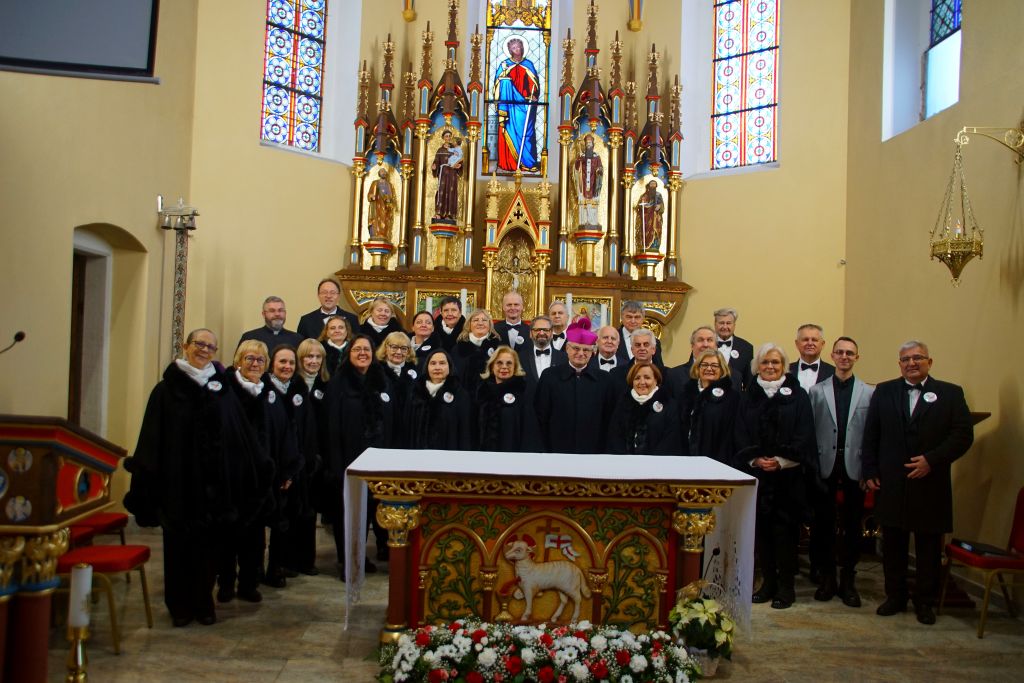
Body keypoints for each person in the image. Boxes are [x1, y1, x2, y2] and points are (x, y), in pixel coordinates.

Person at [124, 329, 270, 627]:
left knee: (209, 547)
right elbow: (151, 437)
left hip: (214, 487)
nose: (204, 350)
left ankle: (203, 603)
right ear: (185, 346)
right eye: (199, 344)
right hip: (178, 484)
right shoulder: (165, 391)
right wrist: (146, 482)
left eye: (210, 346)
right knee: (178, 547)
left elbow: (238, 432)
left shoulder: (222, 390)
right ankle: (179, 605)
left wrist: (255, 467)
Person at [862, 340, 973, 625]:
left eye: (918, 358)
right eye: (906, 359)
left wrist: (931, 460)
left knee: (928, 547)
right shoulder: (884, 391)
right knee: (893, 545)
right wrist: (870, 470)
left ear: (929, 362)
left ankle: (925, 602)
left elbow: (962, 435)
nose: (912, 363)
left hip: (930, 482)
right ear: (899, 364)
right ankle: (895, 596)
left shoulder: (950, 393)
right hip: (892, 481)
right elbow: (871, 433)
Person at [734, 342, 816, 610]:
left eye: (775, 362)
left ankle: (786, 587)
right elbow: (740, 432)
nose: (770, 367)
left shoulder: (798, 396)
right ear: (757, 367)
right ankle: (768, 583)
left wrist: (781, 461)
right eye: (765, 362)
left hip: (787, 478)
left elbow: (805, 432)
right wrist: (755, 458)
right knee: (762, 533)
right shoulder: (748, 396)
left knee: (786, 534)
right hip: (757, 476)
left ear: (784, 366)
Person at [219, 340, 300, 604]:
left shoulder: (269, 394)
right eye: (250, 359)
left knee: (254, 537)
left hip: (262, 478)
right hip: (231, 476)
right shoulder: (225, 392)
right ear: (238, 361)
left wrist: (286, 470)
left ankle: (248, 583)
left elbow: (284, 433)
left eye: (260, 360)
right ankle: (226, 582)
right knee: (228, 535)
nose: (255, 364)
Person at [808, 336, 875, 607]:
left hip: (854, 468)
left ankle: (848, 579)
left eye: (849, 353)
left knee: (852, 525)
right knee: (823, 524)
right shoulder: (817, 391)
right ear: (832, 356)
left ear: (857, 357)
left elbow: (871, 434)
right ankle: (827, 578)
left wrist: (869, 470)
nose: (844, 357)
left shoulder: (869, 392)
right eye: (840, 352)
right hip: (825, 466)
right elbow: (810, 431)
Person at [324, 335, 396, 577]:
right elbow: (331, 427)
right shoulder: (338, 383)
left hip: (377, 461)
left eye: (366, 349)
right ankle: (348, 561)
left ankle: (360, 556)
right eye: (357, 349)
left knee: (368, 512)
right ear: (349, 353)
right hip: (348, 459)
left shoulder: (382, 380)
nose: (363, 353)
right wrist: (336, 464)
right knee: (349, 514)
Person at [263, 344, 316, 586]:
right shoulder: (265, 388)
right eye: (282, 362)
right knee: (272, 518)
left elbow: (306, 426)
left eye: (291, 363)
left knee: (291, 518)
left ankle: (285, 563)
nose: (287, 366)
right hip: (271, 464)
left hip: (295, 464)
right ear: (272, 363)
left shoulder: (298, 388)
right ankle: (265, 569)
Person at [534, 318, 617, 454]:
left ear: (592, 352)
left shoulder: (605, 380)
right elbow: (540, 416)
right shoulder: (549, 376)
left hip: (593, 452)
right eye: (576, 348)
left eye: (586, 350)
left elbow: (610, 420)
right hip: (556, 450)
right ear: (567, 348)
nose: (581, 353)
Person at [475, 346, 541, 452]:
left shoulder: (523, 395)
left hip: (513, 458)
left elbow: (529, 435)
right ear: (492, 366)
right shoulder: (482, 394)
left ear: (515, 367)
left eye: (509, 363)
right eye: (499, 363)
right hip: (483, 457)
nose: (504, 367)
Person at [406, 348, 473, 450]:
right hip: (417, 456)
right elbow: (407, 429)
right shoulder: (415, 393)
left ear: (449, 367)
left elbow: (465, 433)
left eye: (442, 363)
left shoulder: (460, 395)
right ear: (427, 367)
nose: (437, 367)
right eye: (433, 363)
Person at [679, 349, 739, 462]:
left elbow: (730, 436)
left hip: (717, 460)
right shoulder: (686, 395)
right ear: (697, 368)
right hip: (685, 459)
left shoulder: (731, 398)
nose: (709, 368)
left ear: (722, 369)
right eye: (704, 365)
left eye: (714, 365)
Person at [608, 364, 680, 455]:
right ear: (632, 382)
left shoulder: (669, 405)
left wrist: (649, 461)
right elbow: (615, 437)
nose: (642, 382)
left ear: (656, 380)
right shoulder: (623, 404)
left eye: (647, 378)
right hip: (625, 462)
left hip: (658, 461)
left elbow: (670, 440)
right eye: (637, 378)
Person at [494, 37, 540, 172]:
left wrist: (533, 94)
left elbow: (534, 84)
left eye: (519, 46)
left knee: (527, 132)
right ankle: (510, 163)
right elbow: (498, 85)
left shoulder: (528, 64)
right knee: (509, 129)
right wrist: (504, 77)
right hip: (510, 106)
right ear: (510, 50)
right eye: (514, 48)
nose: (517, 49)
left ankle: (527, 163)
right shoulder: (504, 65)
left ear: (523, 48)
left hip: (525, 104)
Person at [452, 308, 502, 397]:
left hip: (492, 398)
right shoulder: (458, 349)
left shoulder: (499, 348)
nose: (480, 323)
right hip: (464, 398)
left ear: (490, 324)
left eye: (484, 320)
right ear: (469, 324)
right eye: (475, 320)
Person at [665, 326, 719, 398]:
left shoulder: (729, 375)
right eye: (700, 340)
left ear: (716, 346)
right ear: (692, 346)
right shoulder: (674, 375)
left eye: (709, 340)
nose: (705, 345)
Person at [607, 327, 664, 391]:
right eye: (638, 345)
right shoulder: (616, 374)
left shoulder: (666, 374)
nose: (642, 348)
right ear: (632, 350)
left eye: (646, 345)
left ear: (653, 350)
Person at [516, 314, 566, 388]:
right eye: (537, 330)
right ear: (530, 333)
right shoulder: (519, 358)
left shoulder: (564, 358)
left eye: (546, 330)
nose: (542, 333)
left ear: (552, 333)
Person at [237, 296, 303, 350]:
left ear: (285, 313)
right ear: (263, 314)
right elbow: (238, 361)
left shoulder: (297, 339)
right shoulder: (249, 338)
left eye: (280, 310)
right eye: (272, 311)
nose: (277, 314)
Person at [713, 307, 753, 389]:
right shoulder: (704, 345)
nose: (725, 327)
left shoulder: (746, 348)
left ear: (734, 325)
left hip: (735, 395)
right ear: (715, 324)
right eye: (721, 323)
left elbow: (748, 381)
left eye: (728, 323)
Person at [615, 301, 663, 365]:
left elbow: (658, 367)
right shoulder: (612, 338)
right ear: (622, 317)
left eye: (637, 317)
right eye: (629, 317)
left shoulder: (654, 341)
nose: (633, 321)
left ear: (643, 318)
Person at [790, 323, 835, 390]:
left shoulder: (833, 373)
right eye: (805, 339)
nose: (810, 343)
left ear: (822, 344)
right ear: (797, 344)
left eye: (814, 340)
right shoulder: (785, 371)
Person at [431, 130, 463, 221]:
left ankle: (449, 214)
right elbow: (436, 161)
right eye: (446, 136)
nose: (448, 138)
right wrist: (434, 167)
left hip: (452, 173)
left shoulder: (455, 149)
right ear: (443, 138)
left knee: (451, 192)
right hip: (443, 173)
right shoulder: (440, 150)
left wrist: (459, 166)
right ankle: (439, 213)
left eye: (449, 136)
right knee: (441, 191)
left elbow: (460, 160)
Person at [573, 134, 603, 229]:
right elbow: (576, 169)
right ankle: (583, 221)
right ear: (585, 144)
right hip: (584, 182)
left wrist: (599, 171)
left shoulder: (597, 157)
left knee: (593, 200)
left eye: (590, 142)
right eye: (587, 143)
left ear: (593, 144)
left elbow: (600, 168)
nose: (588, 144)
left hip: (593, 182)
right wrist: (578, 160)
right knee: (583, 200)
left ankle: (593, 221)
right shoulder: (581, 156)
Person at [366, 167, 397, 241]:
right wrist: (371, 196)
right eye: (382, 172)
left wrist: (388, 198)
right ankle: (374, 234)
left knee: (384, 219)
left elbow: (390, 196)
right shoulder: (375, 183)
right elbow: (370, 193)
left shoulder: (388, 185)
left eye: (384, 172)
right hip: (376, 204)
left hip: (384, 206)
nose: (383, 173)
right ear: (379, 174)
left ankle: (382, 234)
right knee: (375, 219)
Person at [634, 180, 664, 252]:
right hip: (647, 218)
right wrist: (643, 206)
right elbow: (639, 206)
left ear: (656, 186)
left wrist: (660, 206)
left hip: (656, 218)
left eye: (654, 184)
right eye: (651, 184)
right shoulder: (644, 196)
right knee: (646, 231)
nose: (653, 186)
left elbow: (662, 206)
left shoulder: (658, 195)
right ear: (649, 186)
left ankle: (655, 245)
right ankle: (646, 245)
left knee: (655, 230)